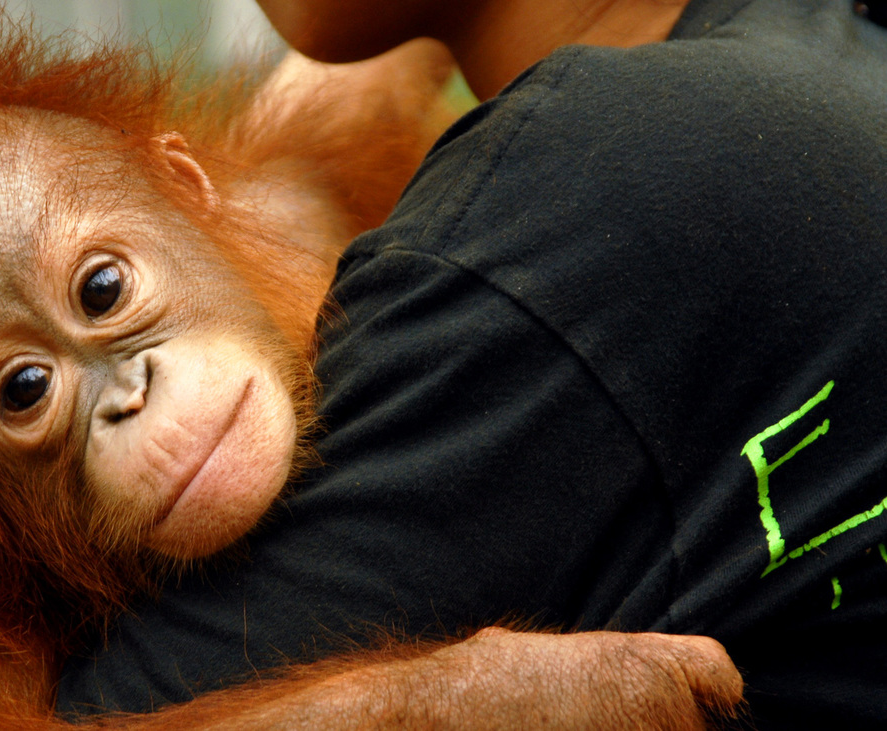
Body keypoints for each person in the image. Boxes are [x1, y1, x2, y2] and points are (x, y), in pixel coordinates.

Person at [58, 0, 887, 727]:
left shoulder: (587, 190)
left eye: (103, 288)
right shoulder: (822, 42)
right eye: (26, 389)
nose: (132, 392)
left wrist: (396, 702)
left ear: (188, 185)